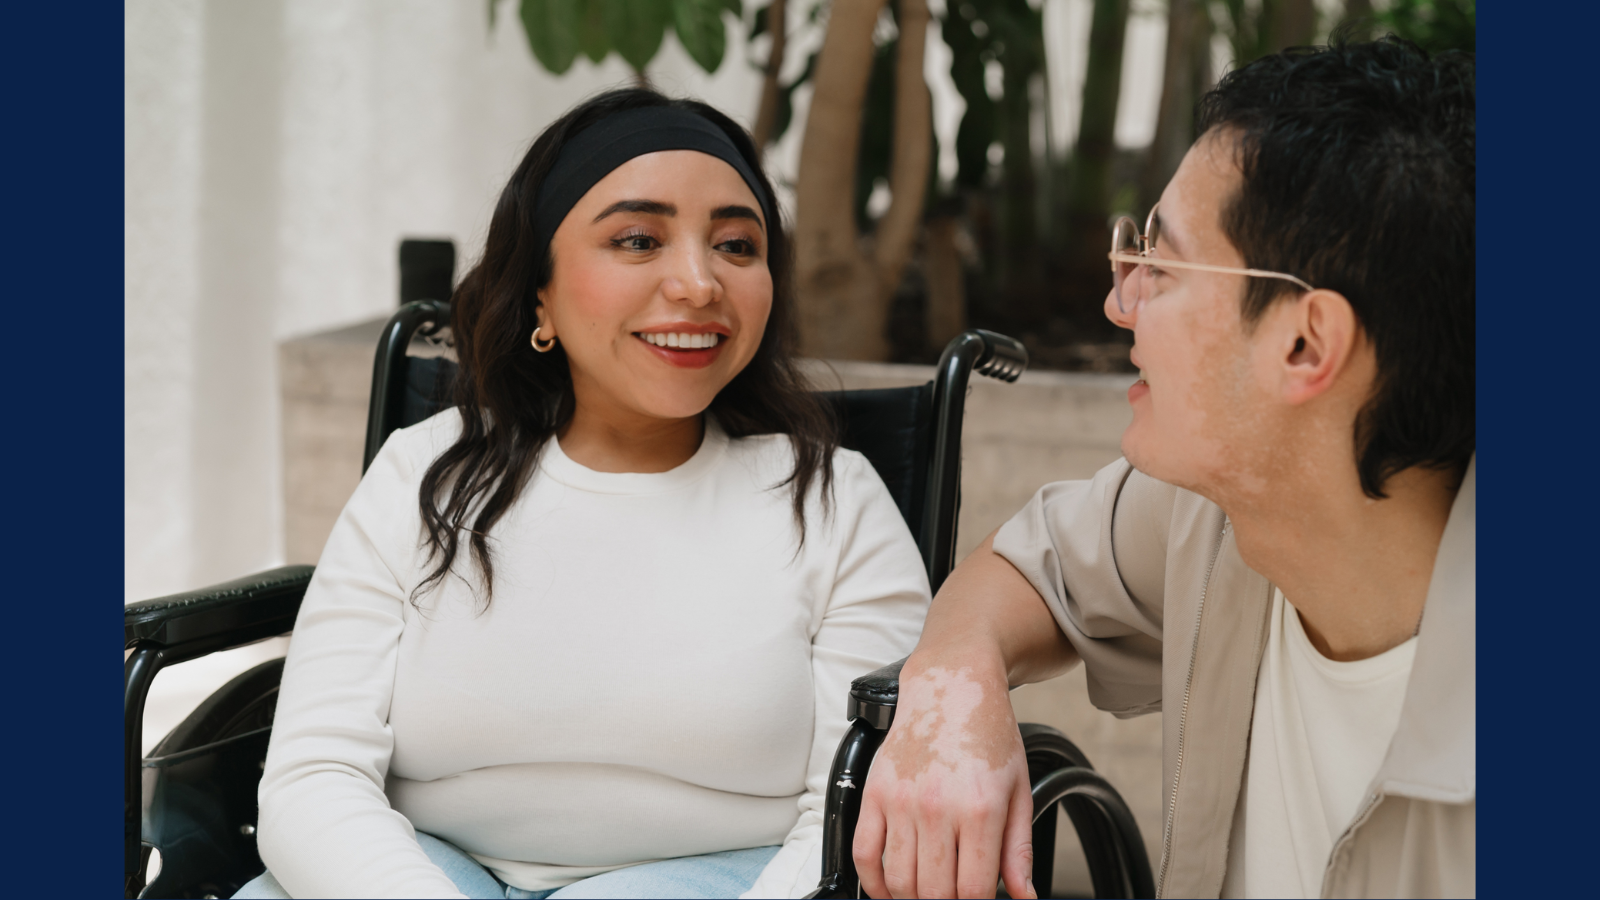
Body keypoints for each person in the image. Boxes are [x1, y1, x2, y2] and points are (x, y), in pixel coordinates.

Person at [235, 89, 931, 900]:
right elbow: (313, 775)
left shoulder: (832, 502)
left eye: (737, 246)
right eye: (639, 239)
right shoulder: (423, 475)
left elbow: (850, 816)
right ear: (541, 294)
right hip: (424, 868)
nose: (700, 283)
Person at [852, 37, 1474, 900]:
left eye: (1162, 265)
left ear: (1305, 344)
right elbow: (1027, 566)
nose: (1117, 301)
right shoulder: (1213, 511)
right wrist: (952, 685)